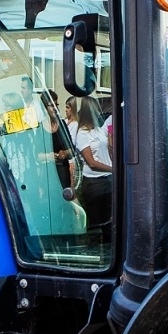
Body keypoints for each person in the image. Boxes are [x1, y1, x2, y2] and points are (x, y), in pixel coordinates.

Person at [73, 96, 112, 234]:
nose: (99, 112)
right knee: (97, 224)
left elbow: (111, 124)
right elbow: (91, 163)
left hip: (108, 180)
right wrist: (114, 169)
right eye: (96, 109)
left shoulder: (98, 130)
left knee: (109, 223)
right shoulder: (82, 134)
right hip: (94, 184)